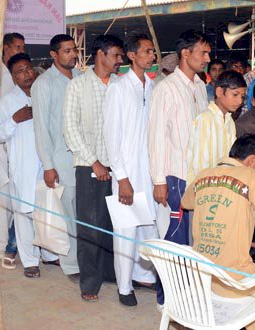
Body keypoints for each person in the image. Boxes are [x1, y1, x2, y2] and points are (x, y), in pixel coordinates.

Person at [181, 134, 255, 330]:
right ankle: (244, 323)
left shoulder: (204, 173)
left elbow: (186, 203)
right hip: (233, 280)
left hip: (203, 276)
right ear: (252, 160)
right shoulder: (250, 176)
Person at [149, 30, 210, 306]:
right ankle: (165, 298)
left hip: (198, 176)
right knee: (174, 239)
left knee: (193, 240)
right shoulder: (166, 88)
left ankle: (186, 294)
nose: (207, 59)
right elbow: (157, 136)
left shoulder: (199, 86)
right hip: (175, 176)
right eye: (203, 53)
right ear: (186, 53)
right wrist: (158, 179)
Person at [63, 34, 124, 302]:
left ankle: (111, 273)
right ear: (100, 55)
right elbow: (70, 129)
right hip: (89, 166)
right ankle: (89, 282)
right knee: (89, 225)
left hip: (119, 168)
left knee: (114, 224)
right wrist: (94, 161)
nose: (120, 61)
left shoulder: (121, 86)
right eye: (116, 56)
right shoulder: (79, 86)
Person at [102, 33, 160, 306]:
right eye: (147, 52)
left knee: (149, 228)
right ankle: (124, 288)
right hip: (126, 173)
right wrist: (122, 177)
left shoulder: (151, 85)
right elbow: (112, 136)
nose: (152, 56)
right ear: (132, 56)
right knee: (125, 232)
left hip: (148, 172)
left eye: (152, 52)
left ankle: (143, 275)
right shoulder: (119, 88)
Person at [0, 53, 58, 278]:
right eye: (20, 72)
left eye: (28, 69)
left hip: (47, 163)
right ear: (13, 77)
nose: (26, 74)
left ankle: (50, 254)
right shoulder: (7, 102)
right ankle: (30, 260)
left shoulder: (42, 93)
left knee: (47, 210)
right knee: (24, 213)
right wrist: (15, 119)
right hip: (23, 165)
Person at [31, 33, 83, 282]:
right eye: (67, 51)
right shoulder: (44, 84)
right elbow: (41, 128)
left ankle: (86, 261)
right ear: (54, 54)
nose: (73, 54)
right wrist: (48, 166)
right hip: (61, 161)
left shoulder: (82, 77)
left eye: (74, 50)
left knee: (84, 215)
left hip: (85, 159)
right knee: (68, 217)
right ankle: (72, 265)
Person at [0, 32, 25, 264]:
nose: (21, 50)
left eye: (23, 46)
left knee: (20, 197)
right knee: (3, 196)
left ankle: (21, 243)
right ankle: (4, 245)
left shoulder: (22, 72)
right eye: (17, 46)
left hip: (21, 144)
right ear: (5, 48)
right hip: (0, 142)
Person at [186, 70, 246, 184]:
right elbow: (201, 168)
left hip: (221, 186)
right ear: (219, 91)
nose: (239, 101)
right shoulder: (205, 120)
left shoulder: (229, 121)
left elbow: (230, 160)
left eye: (242, 96)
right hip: (203, 189)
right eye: (235, 94)